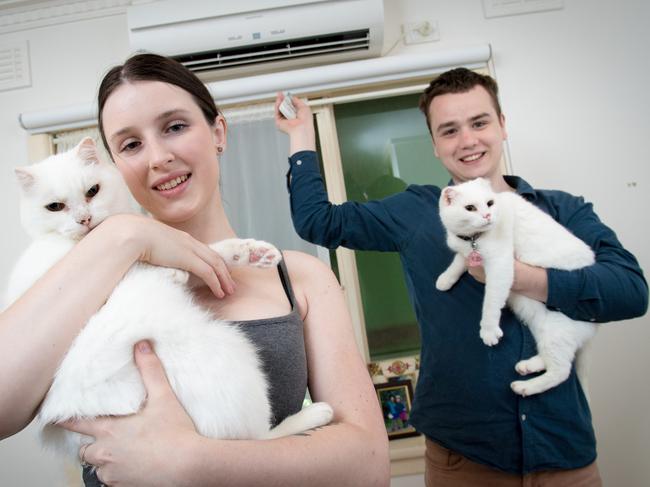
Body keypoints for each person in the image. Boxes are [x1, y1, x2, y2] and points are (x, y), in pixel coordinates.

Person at [0, 53, 390, 487]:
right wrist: (124, 236)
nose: (158, 157)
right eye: (130, 145)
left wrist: (194, 460)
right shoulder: (84, 269)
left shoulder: (300, 277)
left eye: (175, 127)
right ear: (113, 166)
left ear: (218, 132)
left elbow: (369, 465)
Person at [275, 67, 648, 486]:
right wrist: (301, 137)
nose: (468, 140)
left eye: (479, 122)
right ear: (434, 144)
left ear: (502, 126)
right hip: (464, 461)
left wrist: (519, 277)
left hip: (566, 457)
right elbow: (317, 221)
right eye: (449, 130)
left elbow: (631, 292)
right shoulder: (415, 213)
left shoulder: (563, 211)